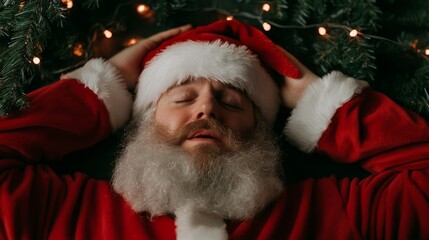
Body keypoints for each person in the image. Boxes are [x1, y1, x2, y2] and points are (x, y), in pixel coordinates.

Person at [0, 19, 428, 240]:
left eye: (232, 101)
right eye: (183, 97)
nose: (206, 107)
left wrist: (325, 104)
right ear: (144, 120)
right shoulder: (64, 211)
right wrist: (100, 89)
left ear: (261, 131)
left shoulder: (339, 214)